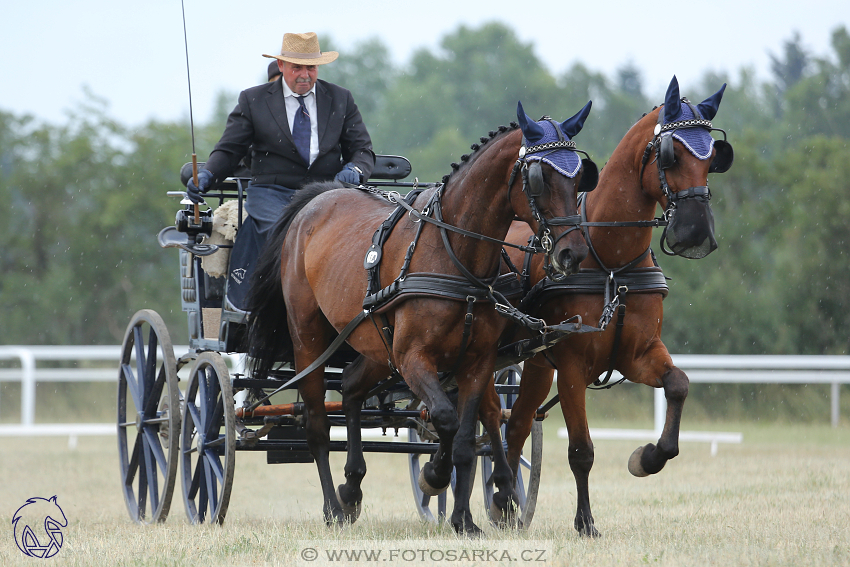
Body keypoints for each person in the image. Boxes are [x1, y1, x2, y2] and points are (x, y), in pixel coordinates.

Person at [186, 31, 375, 309]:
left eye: (310, 67)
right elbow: (230, 150)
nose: (304, 75)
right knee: (292, 232)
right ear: (283, 66)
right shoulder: (253, 100)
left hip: (326, 192)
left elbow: (362, 150)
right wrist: (208, 175)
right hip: (272, 192)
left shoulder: (340, 99)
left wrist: (355, 170)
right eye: (297, 67)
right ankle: (277, 302)